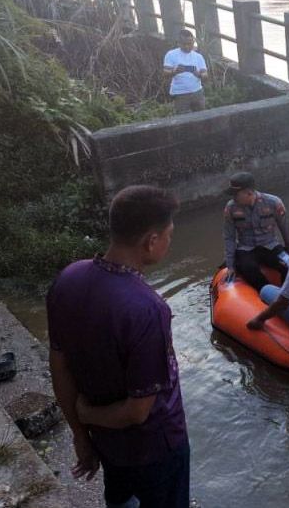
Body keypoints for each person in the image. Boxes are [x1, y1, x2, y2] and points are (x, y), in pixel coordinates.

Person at [47, 186, 189, 508]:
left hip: (107, 442)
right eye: (169, 235)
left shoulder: (68, 279)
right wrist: (86, 414)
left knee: (120, 498)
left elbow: (59, 366)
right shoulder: (147, 309)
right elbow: (138, 411)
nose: (169, 243)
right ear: (151, 241)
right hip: (157, 448)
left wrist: (81, 433)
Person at [223, 172, 289, 292]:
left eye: (236, 194)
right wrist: (230, 266)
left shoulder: (274, 203)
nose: (233, 198)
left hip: (270, 245)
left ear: (248, 193)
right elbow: (229, 237)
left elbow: (285, 228)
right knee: (248, 268)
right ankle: (268, 294)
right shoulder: (230, 208)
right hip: (246, 248)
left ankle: (287, 294)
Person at [163, 29, 208, 114]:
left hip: (197, 92)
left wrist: (199, 75)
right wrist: (175, 72)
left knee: (201, 117)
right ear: (179, 43)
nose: (187, 46)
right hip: (180, 94)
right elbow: (165, 74)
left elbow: (205, 76)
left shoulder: (198, 57)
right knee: (184, 119)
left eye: (189, 44)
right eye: (184, 44)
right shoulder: (171, 54)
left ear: (193, 42)